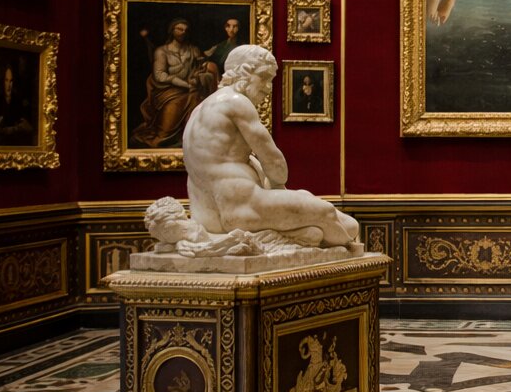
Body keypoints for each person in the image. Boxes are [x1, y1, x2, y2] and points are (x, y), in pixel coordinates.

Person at [183, 45, 358, 247]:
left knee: (305, 199)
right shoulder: (236, 102)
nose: (268, 87)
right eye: (264, 77)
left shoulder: (199, 110)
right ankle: (334, 243)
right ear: (243, 71)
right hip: (243, 209)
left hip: (210, 216)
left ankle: (303, 234)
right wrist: (277, 184)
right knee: (341, 221)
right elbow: (275, 165)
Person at [132, 18, 218, 148]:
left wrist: (201, 73)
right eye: (179, 29)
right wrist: (184, 84)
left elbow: (200, 67)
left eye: (185, 30)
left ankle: (192, 138)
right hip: (167, 92)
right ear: (171, 31)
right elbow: (160, 75)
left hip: (191, 91)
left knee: (196, 97)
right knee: (164, 134)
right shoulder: (161, 51)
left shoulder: (193, 50)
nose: (183, 32)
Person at [0, 62, 34, 146]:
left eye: (11, 81)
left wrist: (16, 129)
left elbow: (27, 128)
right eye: (6, 80)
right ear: (3, 81)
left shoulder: (18, 102)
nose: (9, 85)